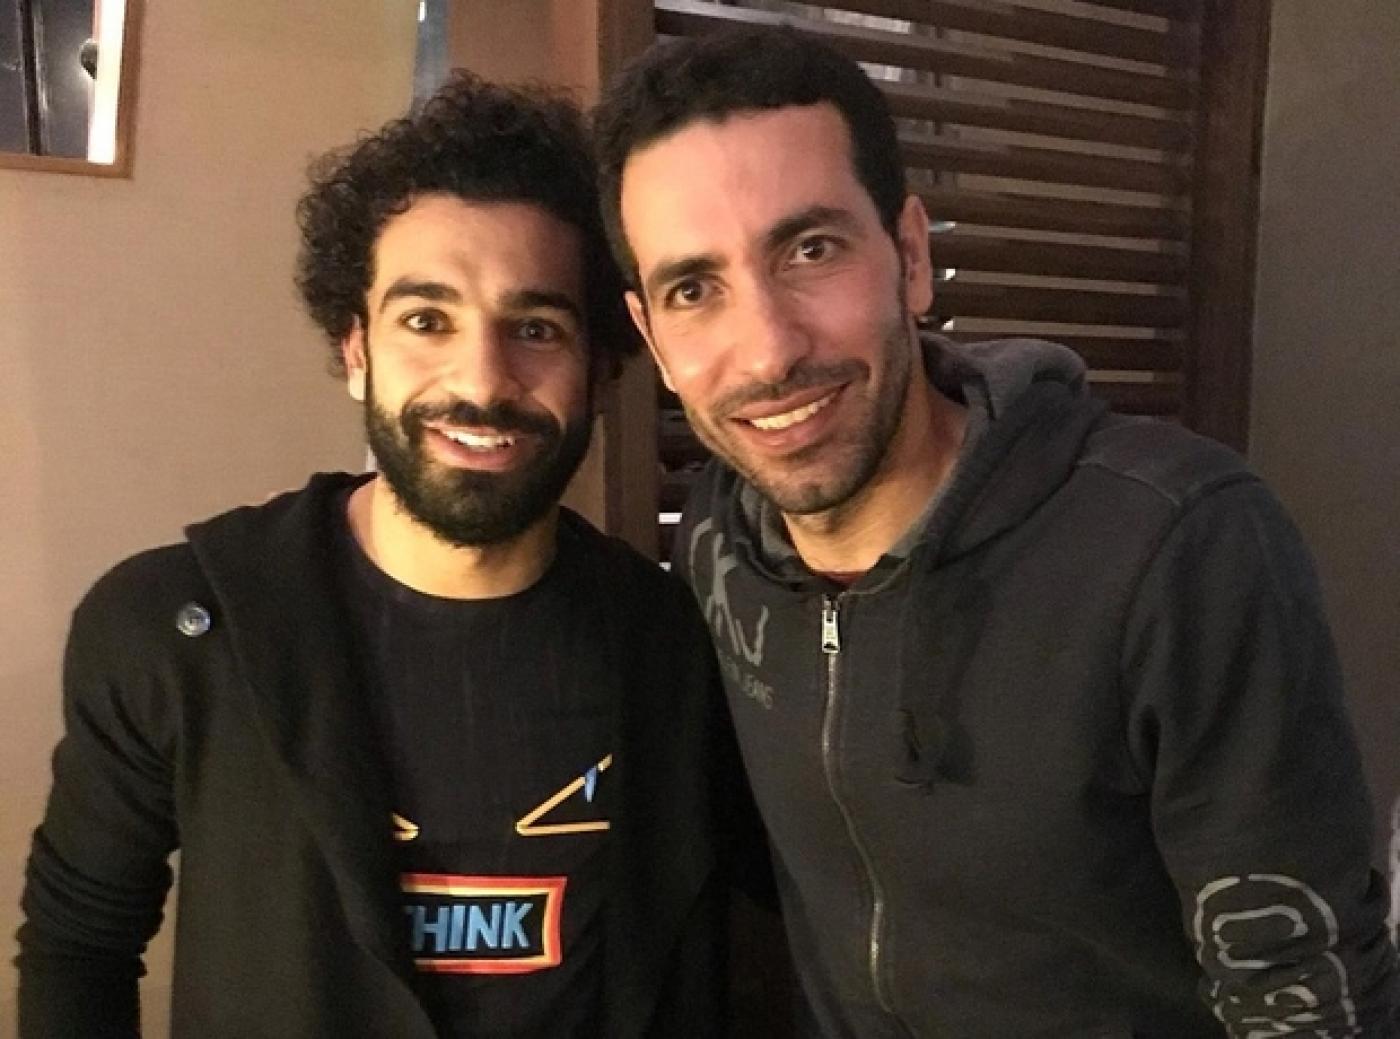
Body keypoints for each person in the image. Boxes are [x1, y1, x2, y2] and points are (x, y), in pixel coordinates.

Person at [594, 26, 1400, 1037]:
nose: (767, 350)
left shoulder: (1178, 546)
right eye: (693, 289)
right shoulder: (721, 541)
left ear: (911, 256)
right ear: (652, 336)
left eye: (810, 250)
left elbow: (1302, 988)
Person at [17, 72, 745, 1037]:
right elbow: (79, 946)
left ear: (600, 365)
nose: (481, 380)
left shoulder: (676, 646)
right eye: (426, 320)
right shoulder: (175, 628)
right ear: (356, 348)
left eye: (535, 328)